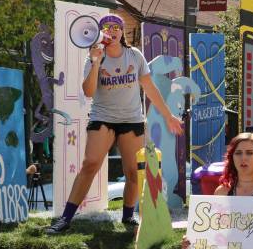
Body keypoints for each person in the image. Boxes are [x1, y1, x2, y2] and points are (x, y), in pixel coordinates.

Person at [46, 14, 183, 234]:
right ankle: (65, 218)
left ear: (122, 32)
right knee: (90, 164)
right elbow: (88, 91)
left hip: (131, 119)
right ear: (101, 33)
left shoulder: (134, 55)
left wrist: (168, 116)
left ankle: (128, 217)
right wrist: (95, 62)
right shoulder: (92, 58)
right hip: (102, 117)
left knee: (132, 171)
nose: (113, 31)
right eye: (107, 28)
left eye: (117, 27)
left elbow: (149, 87)